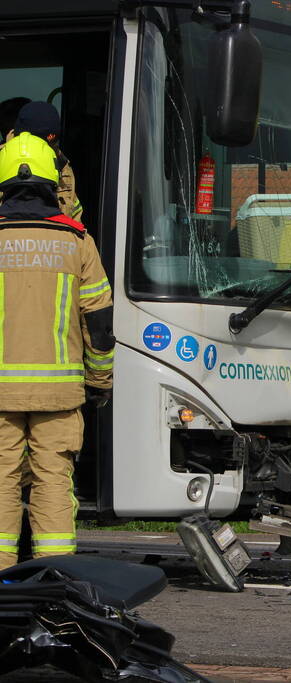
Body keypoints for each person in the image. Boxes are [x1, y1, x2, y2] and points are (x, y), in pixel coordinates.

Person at [0, 132, 113, 569]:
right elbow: (99, 326)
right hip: (60, 396)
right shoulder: (76, 241)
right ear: (53, 180)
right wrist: (100, 382)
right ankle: (55, 574)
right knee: (52, 479)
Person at [3, 101, 82, 221]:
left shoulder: (63, 165)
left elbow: (75, 221)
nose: (45, 150)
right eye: (38, 143)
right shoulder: (2, 159)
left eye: (50, 143)